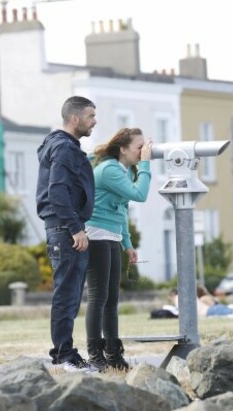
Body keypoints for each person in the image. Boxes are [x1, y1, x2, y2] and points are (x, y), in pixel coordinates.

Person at [36, 96, 97, 371]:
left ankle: (66, 353)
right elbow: (57, 191)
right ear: (75, 119)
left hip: (65, 229)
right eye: (90, 116)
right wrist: (76, 229)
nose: (94, 122)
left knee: (70, 295)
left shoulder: (62, 145)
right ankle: (63, 356)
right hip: (65, 230)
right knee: (67, 295)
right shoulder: (63, 148)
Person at [84, 127, 153, 371]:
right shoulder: (111, 169)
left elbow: (122, 208)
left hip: (110, 235)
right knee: (99, 297)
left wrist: (127, 243)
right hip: (96, 235)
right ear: (123, 149)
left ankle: (113, 354)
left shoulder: (121, 169)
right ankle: (95, 355)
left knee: (112, 299)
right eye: (139, 146)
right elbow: (139, 194)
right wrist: (145, 164)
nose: (143, 151)